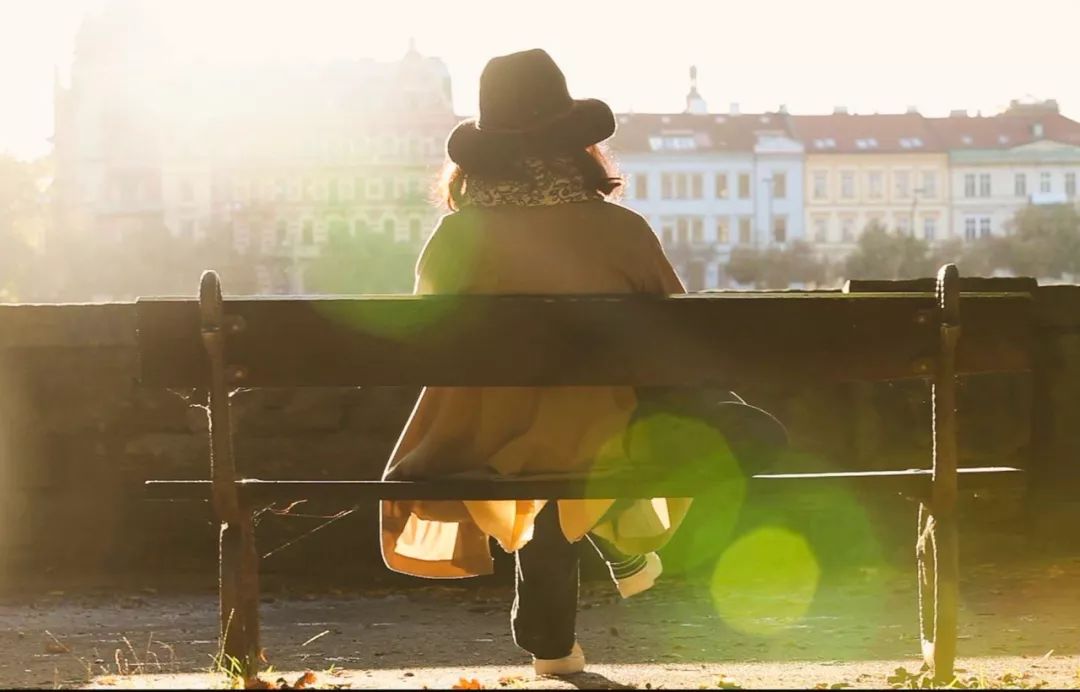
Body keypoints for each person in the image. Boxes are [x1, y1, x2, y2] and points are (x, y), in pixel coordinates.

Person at [378, 48, 784, 677]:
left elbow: (427, 339)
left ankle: (553, 643)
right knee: (597, 437)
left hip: (484, 438)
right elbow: (676, 329)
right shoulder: (619, 230)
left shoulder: (456, 237)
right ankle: (619, 538)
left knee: (539, 464)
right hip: (606, 430)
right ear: (577, 148)